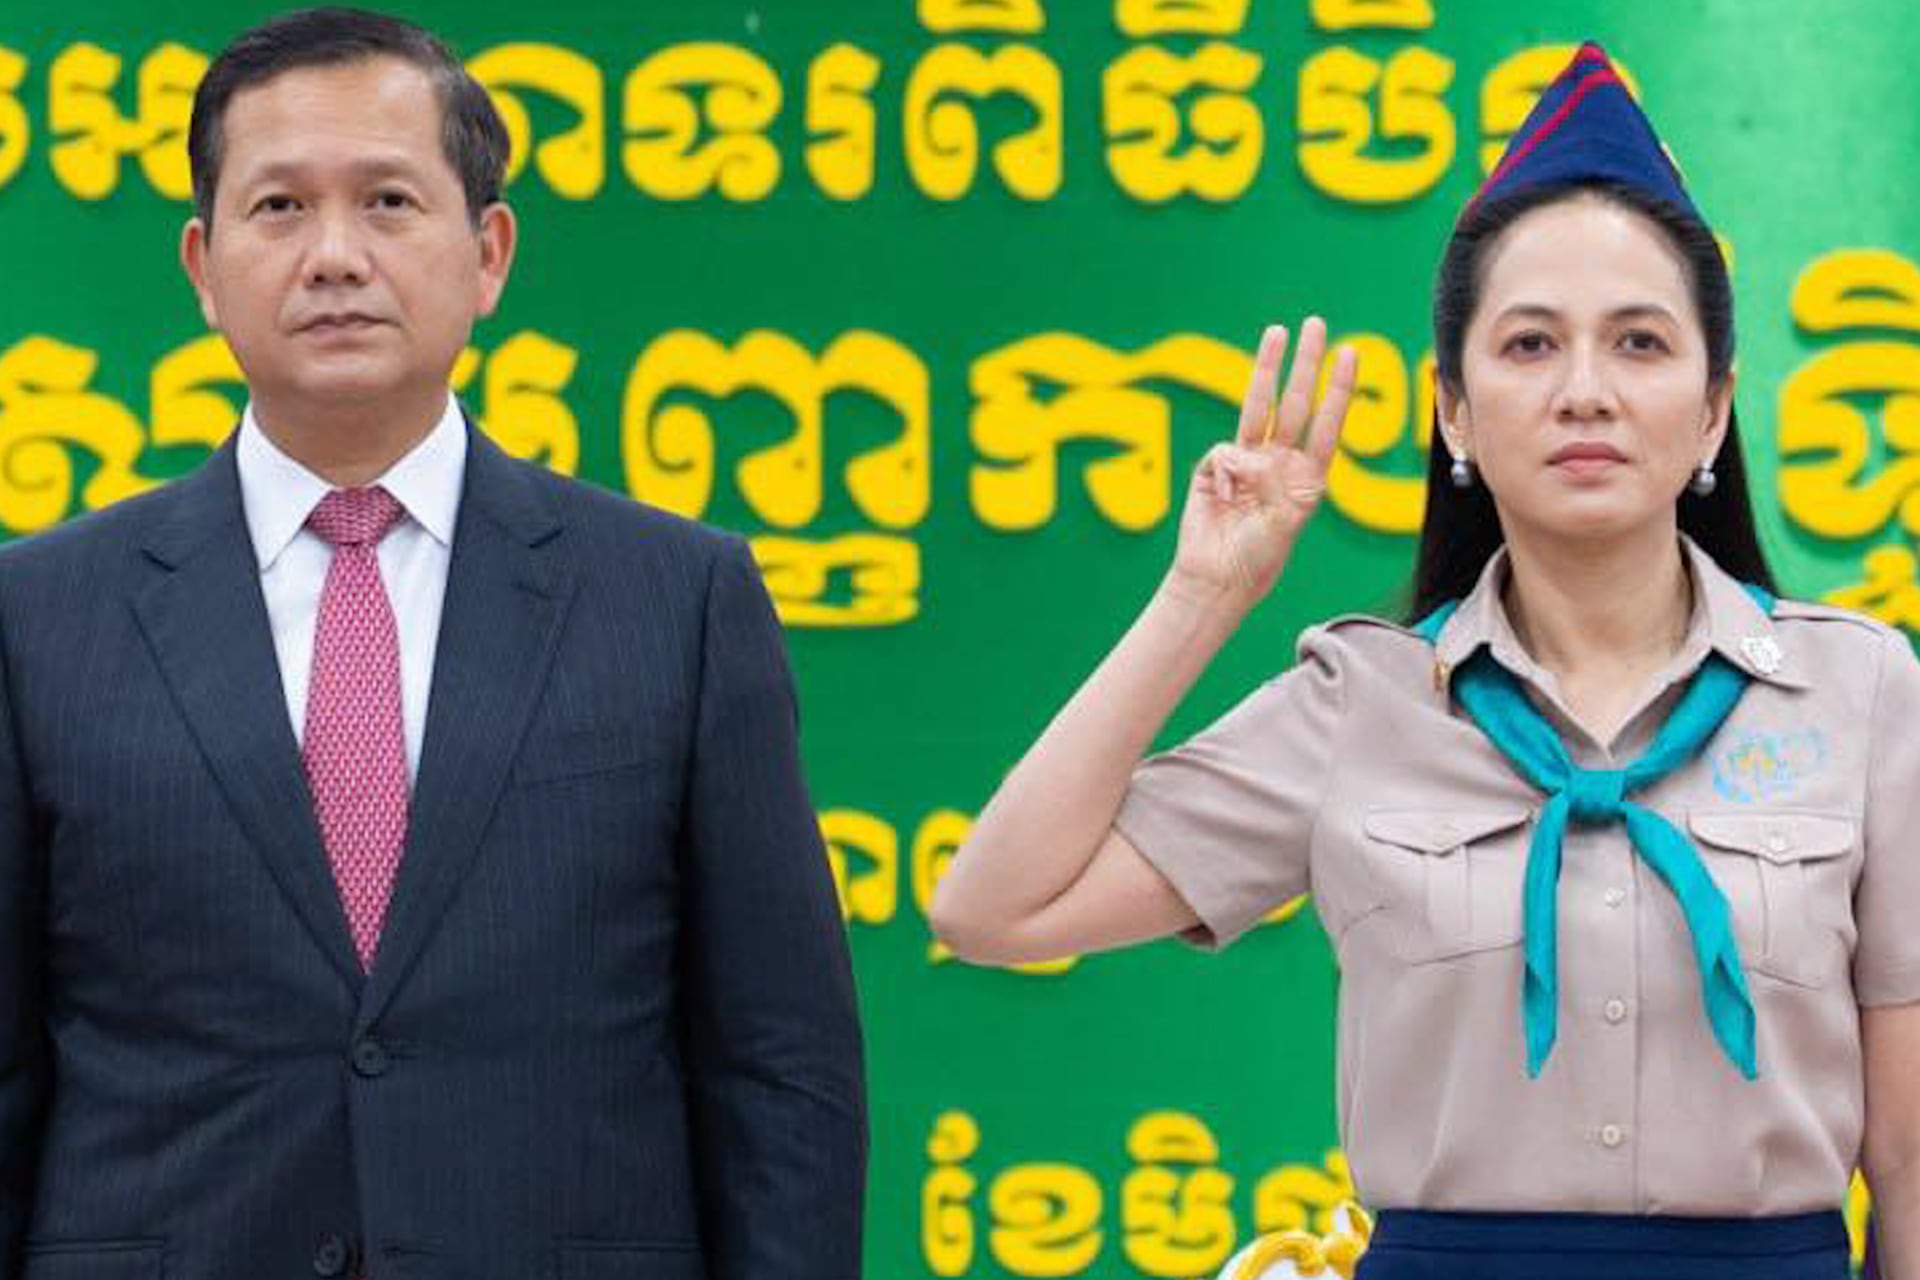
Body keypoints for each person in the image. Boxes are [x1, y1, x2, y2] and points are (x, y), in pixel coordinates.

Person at [932, 42, 1920, 1280]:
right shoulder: (1363, 703)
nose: (1585, 392)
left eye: (1639, 343)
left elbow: (1909, 1157)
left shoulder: (1858, 690)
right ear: (1454, 408)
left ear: (1713, 407)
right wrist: (1207, 591)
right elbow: (995, 907)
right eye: (1529, 345)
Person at [0, 8, 865, 1278]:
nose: (333, 257)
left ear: (488, 252)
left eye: (389, 202)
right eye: (279, 207)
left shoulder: (676, 600)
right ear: (202, 266)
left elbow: (779, 1067)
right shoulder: (37, 615)